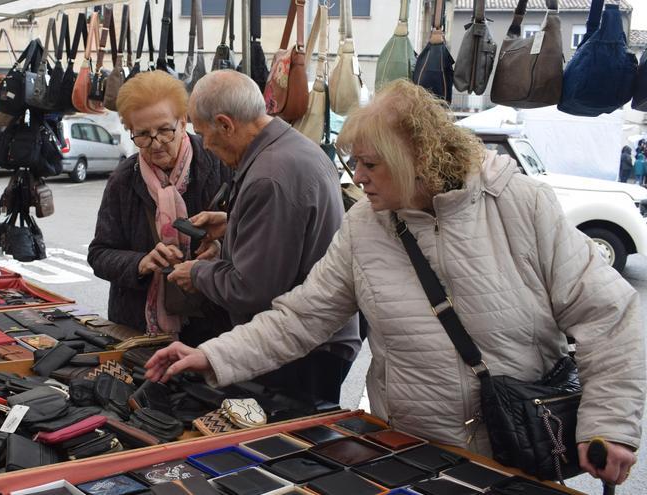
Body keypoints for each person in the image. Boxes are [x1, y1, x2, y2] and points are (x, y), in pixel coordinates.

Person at [146, 80, 644, 487]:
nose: (358, 177)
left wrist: (610, 424)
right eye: (353, 163)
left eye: (371, 163)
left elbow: (608, 316)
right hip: (413, 452)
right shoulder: (366, 226)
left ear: (417, 156)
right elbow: (302, 316)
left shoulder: (519, 204)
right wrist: (215, 355)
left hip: (518, 448)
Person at [166, 70, 361, 404]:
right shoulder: (294, 147)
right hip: (316, 342)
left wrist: (196, 274)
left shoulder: (269, 176)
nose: (206, 146)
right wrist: (234, 223)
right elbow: (294, 232)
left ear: (225, 124)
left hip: (301, 351)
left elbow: (252, 289)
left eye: (204, 134)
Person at [87, 71, 231, 346]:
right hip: (140, 327)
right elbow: (100, 253)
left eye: (165, 130)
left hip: (212, 325)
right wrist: (141, 263)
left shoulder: (219, 163)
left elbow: (251, 232)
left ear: (183, 121)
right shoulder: (124, 179)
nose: (155, 144)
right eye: (142, 135)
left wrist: (220, 247)